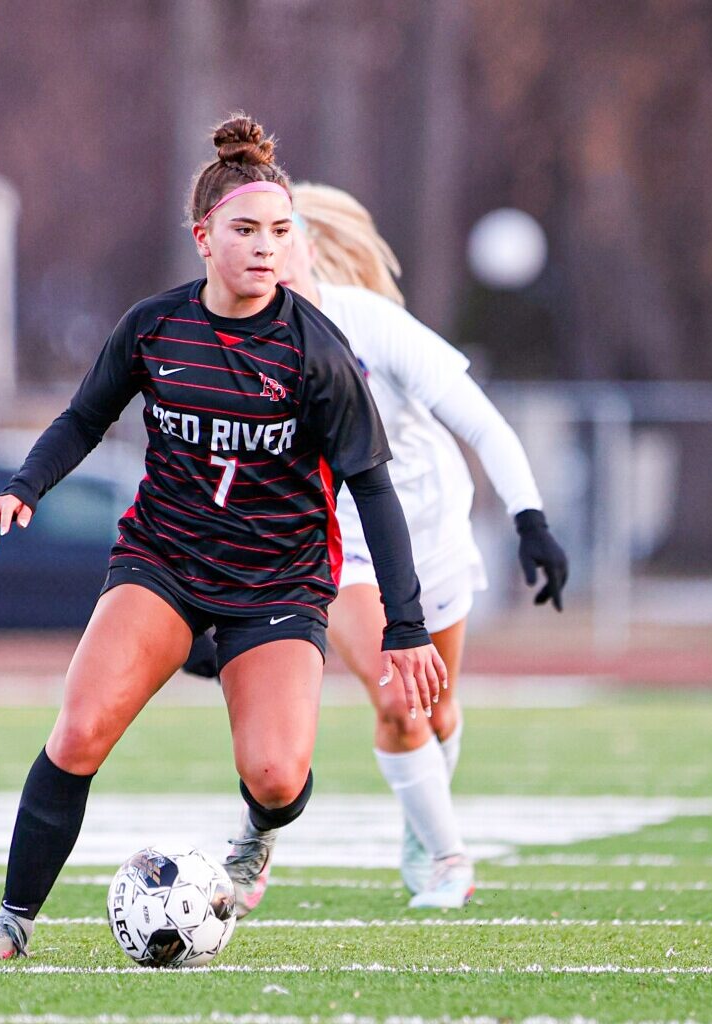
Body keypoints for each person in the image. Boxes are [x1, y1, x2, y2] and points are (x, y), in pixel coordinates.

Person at [0, 117, 447, 960]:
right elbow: (83, 418)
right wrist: (22, 487)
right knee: (77, 733)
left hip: (277, 582)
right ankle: (12, 923)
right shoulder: (155, 326)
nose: (266, 249)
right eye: (246, 231)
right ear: (203, 239)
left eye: (281, 233)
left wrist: (405, 625)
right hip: (162, 562)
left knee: (278, 776)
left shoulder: (317, 352)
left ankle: (259, 826)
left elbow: (370, 485)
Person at [191, 183, 568, 910]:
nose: (269, 253)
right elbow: (226, 478)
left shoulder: (370, 323)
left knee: (436, 713)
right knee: (399, 703)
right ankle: (450, 859)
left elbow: (484, 424)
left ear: (308, 248)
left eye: (283, 234)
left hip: (432, 532)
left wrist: (530, 521)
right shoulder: (233, 349)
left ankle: (421, 829)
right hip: (339, 548)